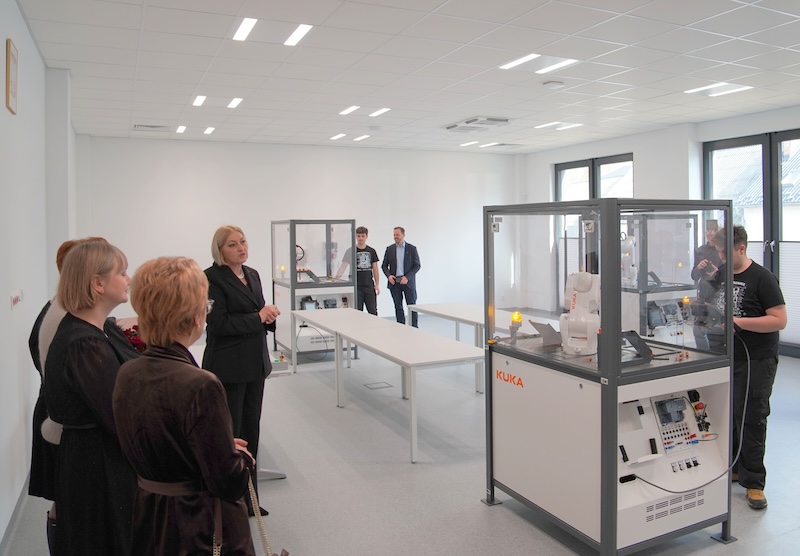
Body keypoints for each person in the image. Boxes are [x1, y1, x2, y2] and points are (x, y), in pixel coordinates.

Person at [114, 257, 257, 555]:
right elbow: (228, 482)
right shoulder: (201, 384)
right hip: (196, 524)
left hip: (148, 514)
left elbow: (160, 441)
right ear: (195, 319)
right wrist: (239, 458)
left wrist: (216, 442)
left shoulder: (127, 372)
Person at [43, 241, 140, 555]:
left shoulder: (90, 332)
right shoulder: (84, 343)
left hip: (95, 457)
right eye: (121, 272)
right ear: (98, 283)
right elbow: (119, 416)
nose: (128, 279)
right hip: (97, 465)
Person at [203, 225, 280, 517]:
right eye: (233, 244)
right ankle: (231, 501)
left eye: (243, 242)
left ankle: (250, 498)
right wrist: (258, 317)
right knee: (232, 435)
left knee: (251, 431)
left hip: (254, 365)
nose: (241, 248)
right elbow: (219, 324)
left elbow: (257, 312)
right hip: (229, 367)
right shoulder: (211, 279)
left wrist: (268, 316)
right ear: (220, 250)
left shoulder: (252, 274)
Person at [710, 226, 787, 510]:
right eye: (718, 252)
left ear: (741, 248)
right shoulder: (722, 274)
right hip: (725, 356)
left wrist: (739, 322)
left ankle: (754, 482)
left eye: (724, 252)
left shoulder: (762, 278)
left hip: (756, 359)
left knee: (751, 417)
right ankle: (734, 467)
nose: (721, 257)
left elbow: (779, 320)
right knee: (726, 413)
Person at [691, 220, 722, 349]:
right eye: (708, 230)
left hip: (720, 297)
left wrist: (716, 273)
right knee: (698, 330)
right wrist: (699, 267)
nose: (711, 233)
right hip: (704, 297)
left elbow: (730, 274)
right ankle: (704, 356)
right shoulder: (700, 250)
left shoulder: (723, 250)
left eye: (714, 231)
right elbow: (694, 276)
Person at [335, 226, 380, 314]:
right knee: (357, 311)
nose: (361, 238)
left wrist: (377, 284)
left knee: (373, 310)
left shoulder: (371, 251)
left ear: (366, 237)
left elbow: (375, 269)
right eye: (359, 236)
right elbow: (343, 267)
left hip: (369, 286)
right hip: (356, 286)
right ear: (356, 236)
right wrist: (336, 280)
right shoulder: (350, 251)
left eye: (363, 236)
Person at [382, 226, 421, 326]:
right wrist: (389, 276)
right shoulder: (390, 249)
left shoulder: (412, 249)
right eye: (394, 235)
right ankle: (401, 327)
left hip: (408, 282)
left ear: (403, 235)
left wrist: (407, 277)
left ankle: (414, 327)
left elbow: (417, 265)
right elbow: (384, 266)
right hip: (395, 282)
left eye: (397, 235)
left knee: (412, 306)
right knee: (398, 306)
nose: (395, 237)